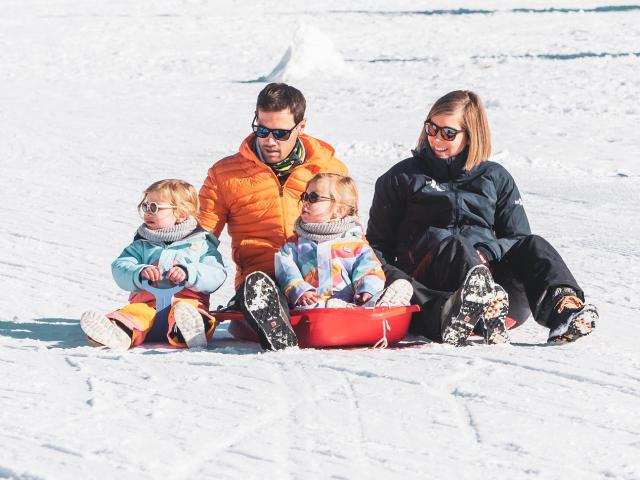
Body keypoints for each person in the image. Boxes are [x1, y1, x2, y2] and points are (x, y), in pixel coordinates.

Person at [367, 90, 598, 346]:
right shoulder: (401, 178)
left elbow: (517, 237)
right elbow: (377, 247)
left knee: (534, 244)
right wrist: (390, 287)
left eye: (448, 133)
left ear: (471, 135)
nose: (436, 138)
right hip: (436, 292)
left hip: (501, 297)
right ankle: (477, 306)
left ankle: (564, 312)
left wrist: (488, 251)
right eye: (431, 128)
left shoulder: (495, 177)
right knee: (454, 245)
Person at [198, 83, 348, 350]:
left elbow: (349, 226)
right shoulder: (225, 174)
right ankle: (276, 328)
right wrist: (193, 303)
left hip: (320, 273)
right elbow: (199, 241)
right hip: (263, 276)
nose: (269, 140)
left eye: (280, 133)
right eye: (262, 130)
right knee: (257, 288)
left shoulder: (328, 169)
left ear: (301, 126)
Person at [80, 179, 227, 350]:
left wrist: (189, 273)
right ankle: (118, 333)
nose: (147, 212)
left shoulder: (200, 244)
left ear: (180, 213)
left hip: (185, 302)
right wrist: (139, 271)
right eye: (145, 206)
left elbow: (216, 273)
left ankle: (188, 332)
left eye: (154, 208)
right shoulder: (141, 244)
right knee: (133, 314)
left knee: (191, 311)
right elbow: (120, 267)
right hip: (147, 304)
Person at [275, 173, 413, 309]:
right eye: (304, 196)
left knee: (364, 302)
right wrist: (300, 290)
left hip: (350, 302)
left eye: (313, 197)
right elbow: (286, 270)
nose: (305, 202)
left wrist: (367, 290)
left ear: (338, 210)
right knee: (313, 308)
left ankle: (381, 302)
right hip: (313, 307)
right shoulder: (294, 245)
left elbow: (369, 269)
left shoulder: (354, 243)